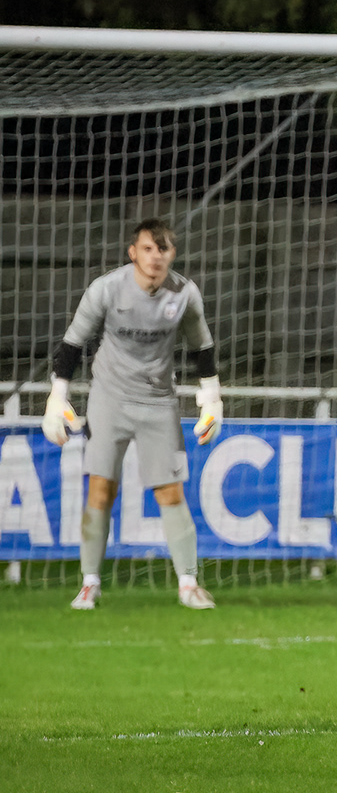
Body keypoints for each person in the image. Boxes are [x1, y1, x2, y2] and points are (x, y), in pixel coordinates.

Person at [42, 218, 224, 611]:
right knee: (101, 489)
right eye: (147, 249)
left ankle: (188, 584)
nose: (155, 257)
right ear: (133, 253)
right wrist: (57, 398)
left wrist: (212, 400)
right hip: (108, 399)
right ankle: (90, 583)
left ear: (172, 254)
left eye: (163, 249)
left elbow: (202, 348)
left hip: (159, 401)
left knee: (171, 492)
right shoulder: (106, 289)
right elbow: (72, 344)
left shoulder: (184, 294)